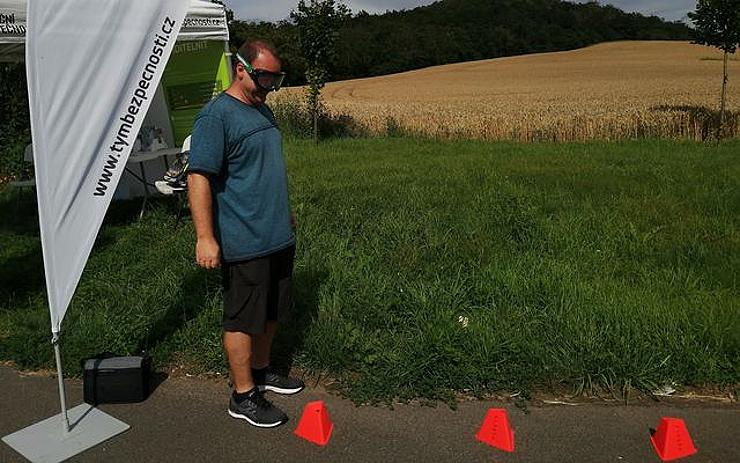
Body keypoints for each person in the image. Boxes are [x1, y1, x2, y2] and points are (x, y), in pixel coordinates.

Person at [187, 40, 303, 428]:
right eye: (264, 75)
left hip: (277, 234)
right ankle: (243, 395)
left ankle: (262, 369)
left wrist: (284, 211)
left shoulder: (262, 109)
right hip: (244, 238)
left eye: (275, 76)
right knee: (242, 318)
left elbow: (265, 168)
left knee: (272, 311)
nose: (270, 83)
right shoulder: (216, 117)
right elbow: (199, 177)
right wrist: (206, 237)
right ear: (240, 69)